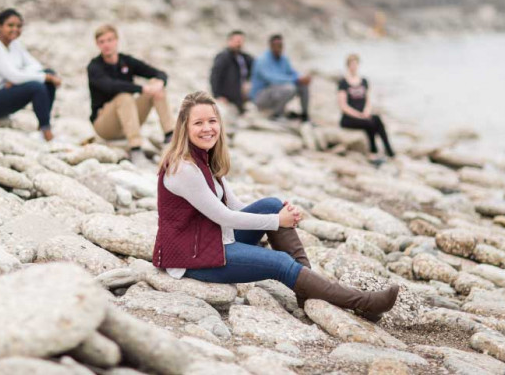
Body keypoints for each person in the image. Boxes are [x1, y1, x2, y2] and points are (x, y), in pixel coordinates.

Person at [152, 91, 399, 322]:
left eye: (212, 121)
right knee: (280, 262)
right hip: (193, 257)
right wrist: (276, 221)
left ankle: (307, 291)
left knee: (272, 204)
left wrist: (279, 212)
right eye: (198, 123)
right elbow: (224, 217)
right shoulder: (184, 169)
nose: (207, 128)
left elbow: (235, 206)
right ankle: (363, 302)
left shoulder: (206, 160)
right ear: (184, 128)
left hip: (212, 240)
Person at [0, 8, 62, 141]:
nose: (15, 29)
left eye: (18, 26)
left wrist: (41, 76)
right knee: (37, 85)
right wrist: (18, 77)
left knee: (48, 76)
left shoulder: (15, 44)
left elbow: (36, 66)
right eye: (10, 25)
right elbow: (14, 76)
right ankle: (46, 132)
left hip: (2, 93)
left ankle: (42, 128)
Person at [87, 25, 175, 168]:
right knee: (124, 97)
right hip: (105, 125)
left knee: (155, 85)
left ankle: (170, 136)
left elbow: (158, 73)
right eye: (102, 41)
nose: (106, 44)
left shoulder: (126, 61)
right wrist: (141, 88)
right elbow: (111, 86)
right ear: (98, 44)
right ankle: (136, 149)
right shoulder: (94, 67)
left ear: (116, 40)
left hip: (128, 120)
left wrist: (159, 83)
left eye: (109, 40)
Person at [338, 54, 395, 166]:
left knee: (376, 119)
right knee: (370, 123)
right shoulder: (343, 83)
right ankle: (373, 153)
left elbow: (368, 101)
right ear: (347, 66)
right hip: (349, 118)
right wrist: (358, 115)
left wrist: (366, 112)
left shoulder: (364, 81)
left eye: (355, 64)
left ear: (358, 65)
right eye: (351, 64)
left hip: (363, 115)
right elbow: (343, 106)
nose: (354, 66)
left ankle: (388, 149)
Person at [250, 34, 311, 122]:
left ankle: (304, 115)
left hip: (276, 91)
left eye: (280, 45)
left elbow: (291, 72)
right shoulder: (262, 60)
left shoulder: (283, 59)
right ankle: (276, 114)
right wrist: (296, 79)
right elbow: (273, 79)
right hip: (261, 96)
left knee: (303, 86)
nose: (278, 47)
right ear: (270, 46)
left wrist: (301, 78)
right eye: (276, 45)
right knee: (290, 88)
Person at [210, 30, 253, 115]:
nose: (239, 43)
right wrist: (217, 95)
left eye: (241, 41)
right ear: (229, 41)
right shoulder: (223, 57)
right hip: (228, 95)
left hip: (241, 95)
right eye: (237, 41)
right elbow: (215, 76)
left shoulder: (245, 57)